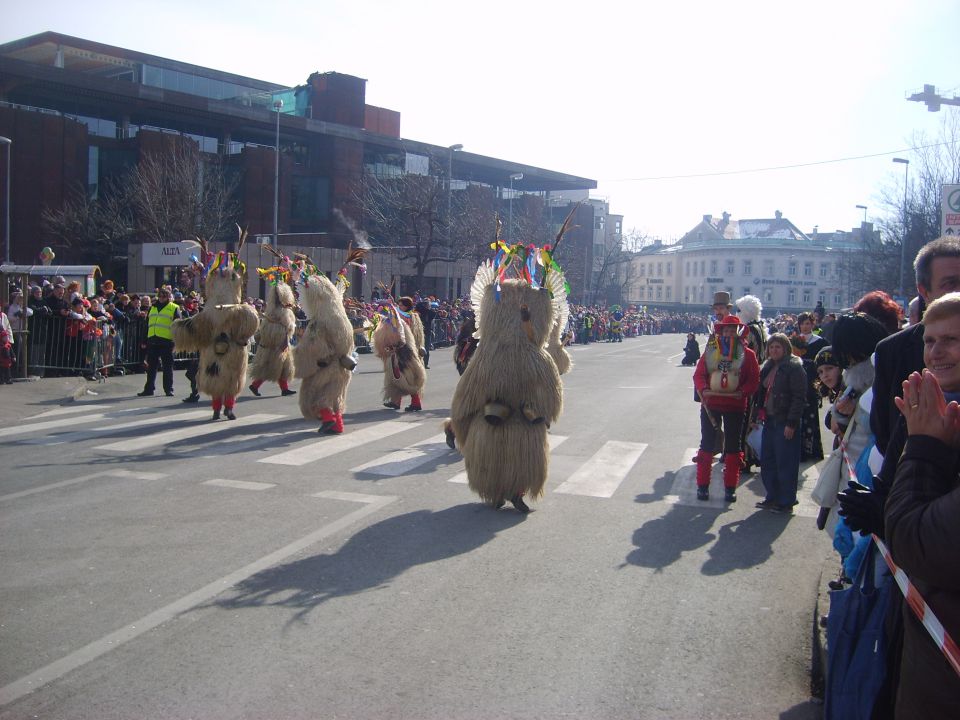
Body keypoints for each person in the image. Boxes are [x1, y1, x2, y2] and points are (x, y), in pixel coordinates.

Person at [885, 293, 960, 717]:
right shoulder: (926, 404)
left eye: (951, 340)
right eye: (930, 341)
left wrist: (926, 449)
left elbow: (916, 541)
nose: (937, 351)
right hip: (928, 647)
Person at [692, 314, 760, 502]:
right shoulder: (710, 352)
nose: (729, 333)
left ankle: (730, 488)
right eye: (726, 329)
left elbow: (754, 380)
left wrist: (743, 392)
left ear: (737, 331)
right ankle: (703, 486)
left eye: (732, 329)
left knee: (732, 447)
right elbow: (698, 375)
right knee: (707, 443)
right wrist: (704, 389)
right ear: (720, 331)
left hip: (735, 405)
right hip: (711, 405)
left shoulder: (748, 354)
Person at [755, 333, 807, 513]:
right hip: (769, 420)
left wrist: (791, 423)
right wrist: (755, 417)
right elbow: (760, 394)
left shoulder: (794, 367)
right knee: (768, 461)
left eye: (778, 347)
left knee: (785, 462)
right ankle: (772, 496)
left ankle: (786, 500)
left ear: (786, 348)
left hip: (784, 421)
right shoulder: (768, 366)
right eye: (771, 347)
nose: (774, 350)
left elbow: (799, 398)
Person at [790, 311, 828, 461]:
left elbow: (823, 362)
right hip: (795, 383)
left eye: (808, 323)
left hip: (811, 383)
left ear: (813, 325)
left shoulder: (820, 342)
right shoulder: (793, 341)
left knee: (810, 415)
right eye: (802, 324)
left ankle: (810, 449)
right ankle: (796, 449)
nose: (805, 327)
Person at [137, 287, 180, 397]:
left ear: (168, 297)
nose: (161, 298)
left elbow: (178, 326)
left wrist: (176, 340)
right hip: (153, 340)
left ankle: (168, 389)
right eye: (160, 296)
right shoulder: (153, 308)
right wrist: (144, 340)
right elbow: (147, 325)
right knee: (151, 367)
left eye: (164, 296)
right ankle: (149, 389)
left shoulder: (174, 308)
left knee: (167, 367)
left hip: (167, 341)